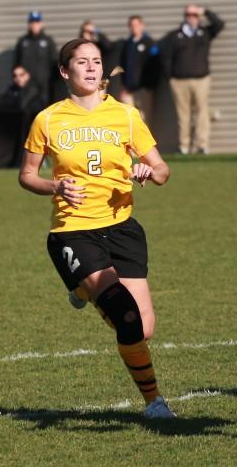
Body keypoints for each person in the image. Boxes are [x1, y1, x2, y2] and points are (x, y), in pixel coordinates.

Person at [17, 38, 175, 419]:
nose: (91, 68)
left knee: (144, 328)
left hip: (122, 228)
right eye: (82, 62)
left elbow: (163, 169)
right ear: (64, 71)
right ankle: (154, 402)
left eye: (97, 62)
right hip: (73, 231)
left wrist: (147, 172)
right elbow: (26, 176)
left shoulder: (126, 115)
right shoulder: (48, 119)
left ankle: (82, 290)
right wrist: (55, 185)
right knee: (125, 315)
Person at [160, 4, 225, 154]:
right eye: (189, 14)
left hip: (201, 79)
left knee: (202, 112)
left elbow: (219, 24)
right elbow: (166, 58)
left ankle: (202, 145)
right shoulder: (175, 36)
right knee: (183, 115)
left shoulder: (204, 33)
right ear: (185, 16)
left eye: (195, 15)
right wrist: (170, 77)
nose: (192, 17)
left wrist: (205, 11)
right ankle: (184, 146)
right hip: (179, 81)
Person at [117, 15, 159, 121]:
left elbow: (155, 65)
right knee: (129, 118)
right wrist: (123, 86)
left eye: (136, 25)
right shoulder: (128, 44)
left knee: (143, 119)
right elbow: (122, 65)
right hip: (128, 90)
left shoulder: (149, 43)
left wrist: (150, 85)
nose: (134, 27)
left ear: (142, 26)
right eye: (131, 25)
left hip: (143, 89)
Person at [15, 11, 59, 104]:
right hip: (27, 86)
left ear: (41, 24)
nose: (34, 25)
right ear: (29, 24)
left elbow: (54, 62)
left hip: (44, 86)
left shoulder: (48, 41)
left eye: (37, 22)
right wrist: (18, 76)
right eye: (32, 22)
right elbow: (16, 64)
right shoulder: (23, 42)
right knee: (27, 112)